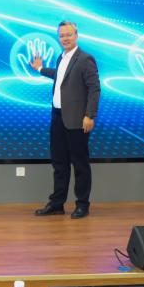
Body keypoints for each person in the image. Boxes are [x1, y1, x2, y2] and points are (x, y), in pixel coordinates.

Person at [31, 20, 100, 219]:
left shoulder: (85, 59)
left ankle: (82, 205)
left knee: (80, 165)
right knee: (59, 163)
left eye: (69, 34)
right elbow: (60, 77)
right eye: (61, 35)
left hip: (77, 120)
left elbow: (94, 89)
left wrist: (90, 115)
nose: (65, 38)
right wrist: (40, 69)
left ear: (76, 35)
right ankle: (57, 204)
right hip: (57, 117)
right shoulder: (61, 57)